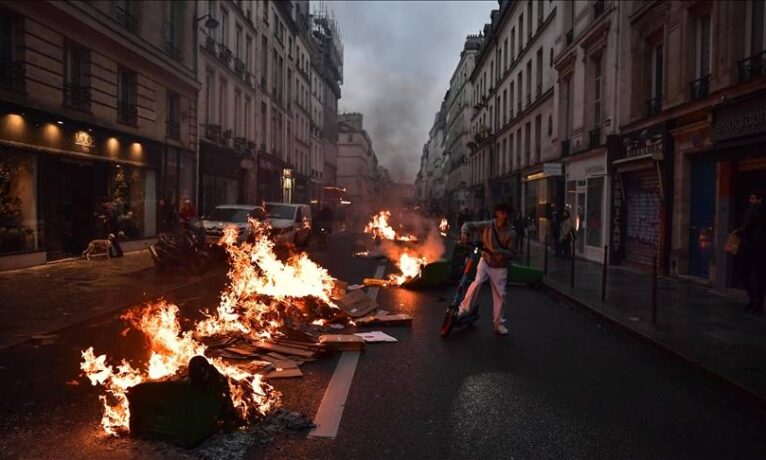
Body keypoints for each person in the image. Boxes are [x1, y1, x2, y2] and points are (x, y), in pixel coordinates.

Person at [457, 202, 517, 335]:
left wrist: (500, 252)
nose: (504, 216)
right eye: (502, 213)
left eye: (506, 213)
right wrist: (465, 234)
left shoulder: (512, 233)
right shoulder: (488, 225)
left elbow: (512, 253)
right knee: (476, 283)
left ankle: (498, 323)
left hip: (500, 266)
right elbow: (468, 225)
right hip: (485, 260)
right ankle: (463, 310)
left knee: (500, 294)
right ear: (497, 213)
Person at [735, 189, 766, 313]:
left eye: (753, 198)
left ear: (759, 199)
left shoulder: (751, 211)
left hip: (751, 247)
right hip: (763, 249)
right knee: (761, 276)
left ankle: (754, 299)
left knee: (743, 272)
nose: (750, 201)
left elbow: (745, 227)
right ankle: (759, 303)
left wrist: (737, 232)